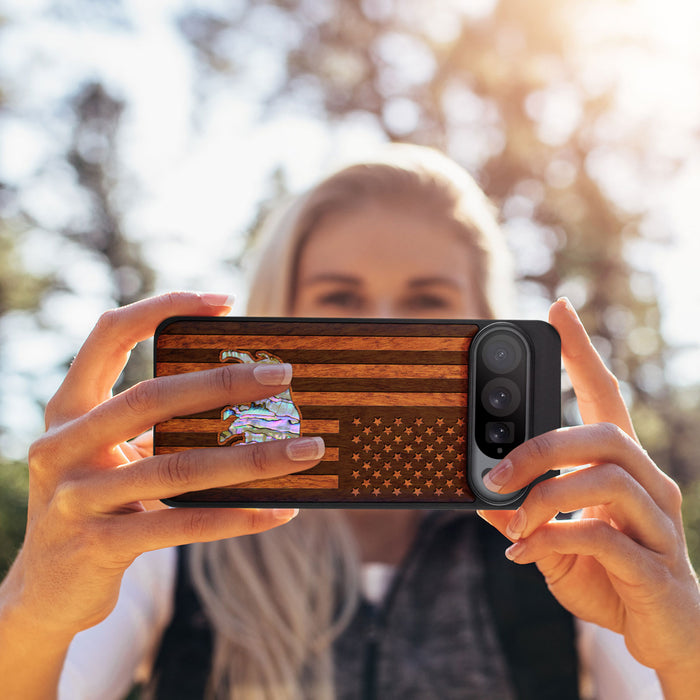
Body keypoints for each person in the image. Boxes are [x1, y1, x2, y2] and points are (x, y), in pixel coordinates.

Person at [0, 145, 698, 700]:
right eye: (340, 299)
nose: (385, 331)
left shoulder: (567, 541)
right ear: (280, 317)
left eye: (427, 301)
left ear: (486, 323)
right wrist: (34, 607)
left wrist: (685, 648)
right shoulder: (171, 533)